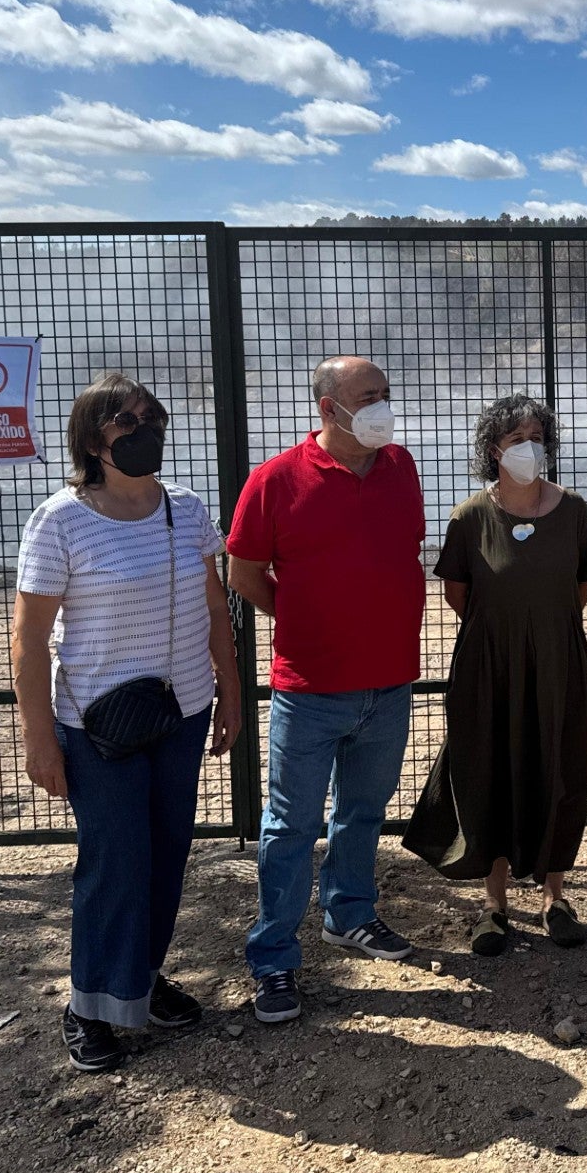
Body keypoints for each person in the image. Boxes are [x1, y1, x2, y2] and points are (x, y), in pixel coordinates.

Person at [12, 372, 242, 1073]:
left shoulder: (187, 508)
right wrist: (40, 739)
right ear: (92, 440)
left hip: (182, 711)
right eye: (127, 422)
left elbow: (214, 608)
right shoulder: (61, 520)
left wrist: (231, 693)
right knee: (116, 863)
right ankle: (89, 1005)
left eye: (153, 419)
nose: (145, 432)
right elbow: (28, 638)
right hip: (96, 723)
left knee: (167, 853)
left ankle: (138, 981)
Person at [227, 357, 427, 1023]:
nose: (382, 406)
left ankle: (350, 915)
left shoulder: (401, 467)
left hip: (388, 684)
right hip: (310, 690)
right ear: (328, 407)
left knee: (363, 812)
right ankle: (274, 959)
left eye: (386, 393)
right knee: (290, 826)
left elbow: (403, 551)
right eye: (368, 396)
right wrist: (298, 617)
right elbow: (244, 571)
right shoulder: (275, 480)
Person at [404, 395, 587, 955]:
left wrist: (541, 629)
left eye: (537, 436)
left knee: (561, 767)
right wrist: (508, 631)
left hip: (560, 661)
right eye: (517, 439)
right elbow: (458, 595)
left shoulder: (574, 510)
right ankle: (494, 904)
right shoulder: (469, 517)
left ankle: (554, 897)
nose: (528, 447)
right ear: (494, 449)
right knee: (489, 769)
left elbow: (582, 583)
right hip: (486, 666)